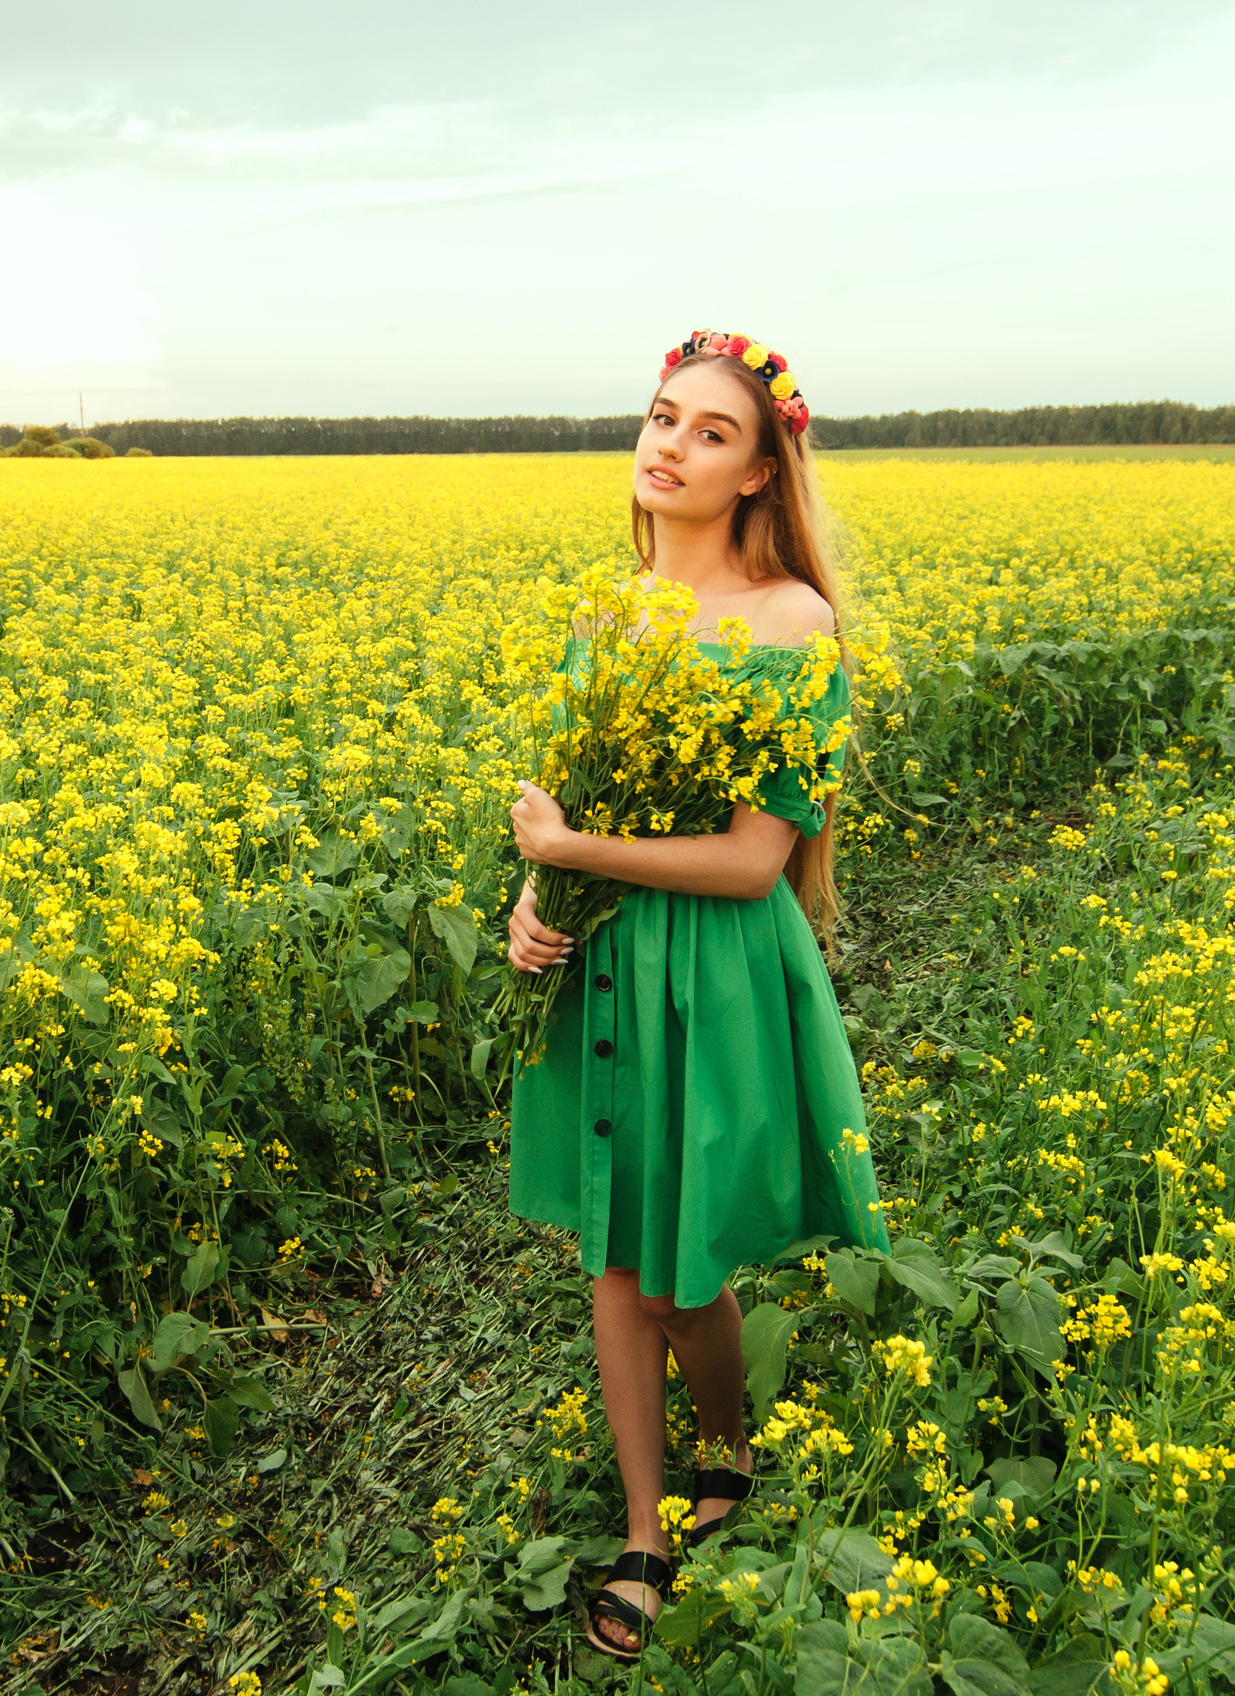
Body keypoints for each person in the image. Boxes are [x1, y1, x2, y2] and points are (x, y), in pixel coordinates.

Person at [501, 330, 890, 1663]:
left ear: (760, 476)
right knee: (615, 1246)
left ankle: (728, 1444)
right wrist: (533, 901)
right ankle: (644, 1526)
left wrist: (571, 858)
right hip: (605, 955)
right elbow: (568, 801)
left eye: (710, 432)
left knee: (682, 1264)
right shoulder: (608, 615)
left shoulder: (794, 624)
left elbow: (750, 861)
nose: (668, 444)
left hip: (714, 967)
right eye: (663, 417)